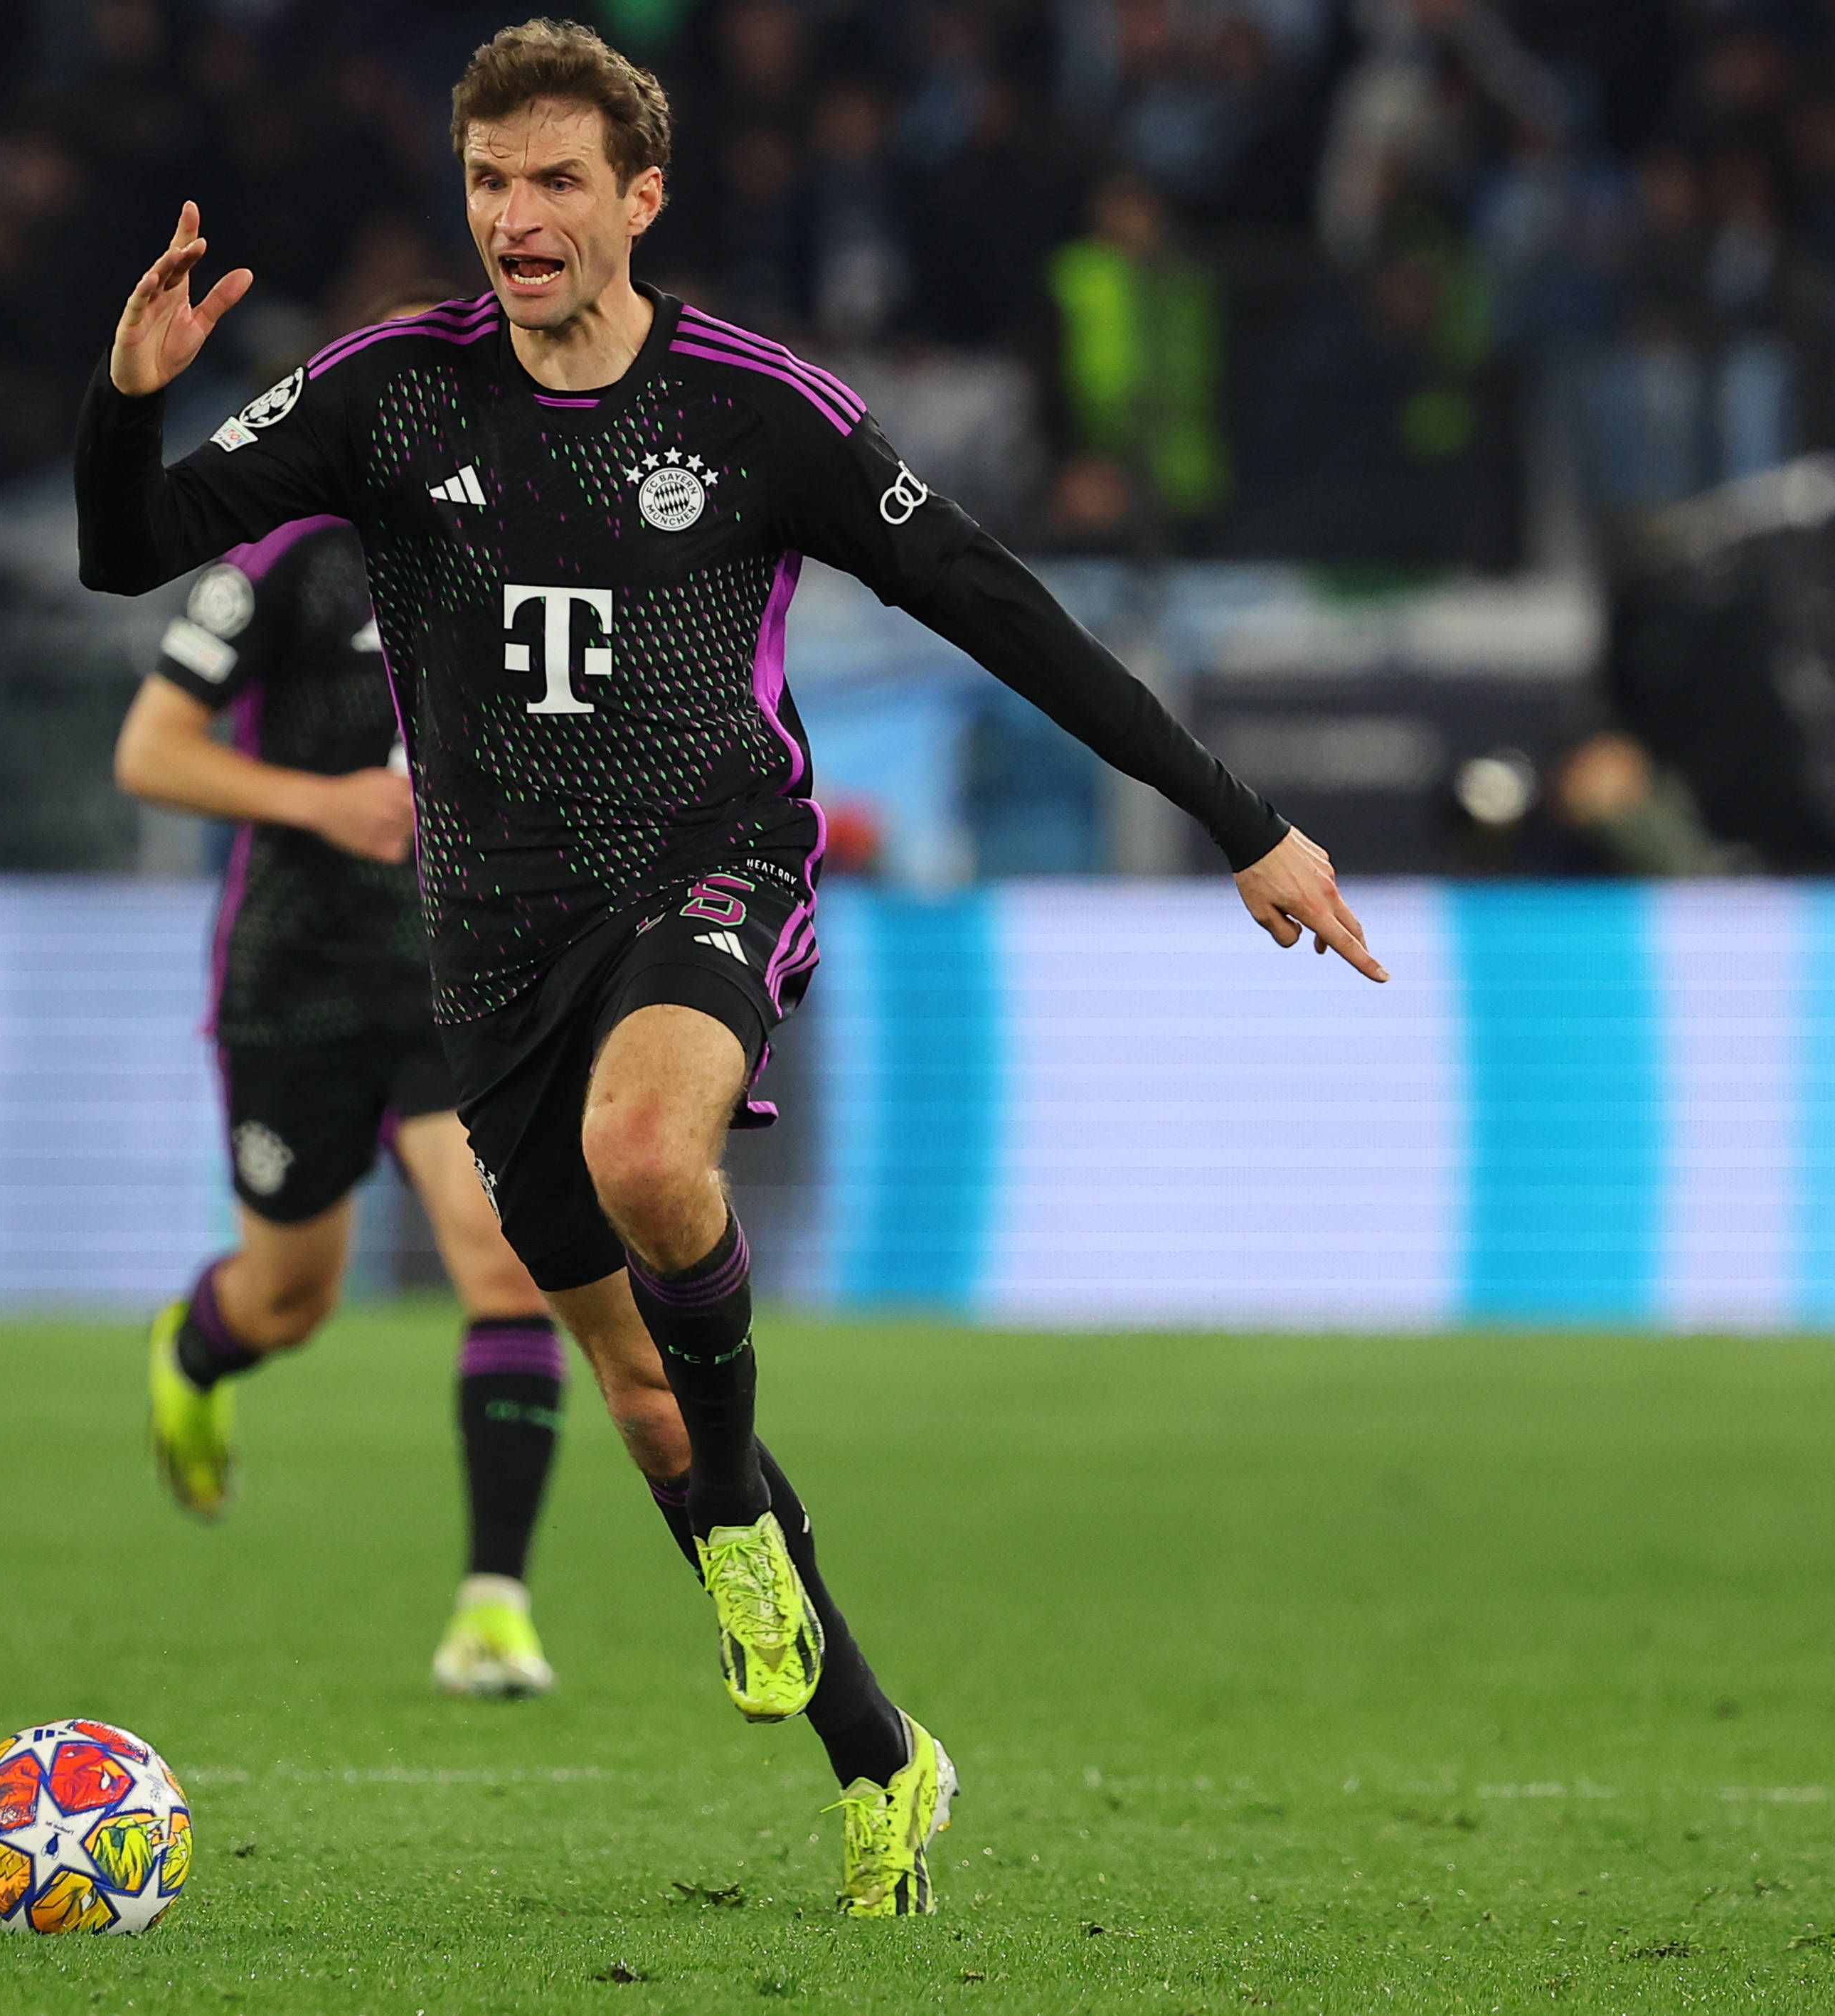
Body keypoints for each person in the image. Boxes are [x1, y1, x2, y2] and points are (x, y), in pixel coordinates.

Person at [75, 18, 1382, 1919]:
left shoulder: (753, 410)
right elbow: (126, 551)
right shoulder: (386, 394)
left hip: (710, 863)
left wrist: (1235, 817)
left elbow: (993, 605)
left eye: (555, 181)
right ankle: (882, 1751)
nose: (516, 217)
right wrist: (127, 399)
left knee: (649, 1156)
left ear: (641, 196)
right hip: (492, 941)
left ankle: (743, 1526)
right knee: (644, 1407)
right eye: (487, 181)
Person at [112, 290, 570, 1699]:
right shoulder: (285, 560)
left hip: (456, 972)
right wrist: (321, 801)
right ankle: (197, 1354)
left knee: (506, 1264)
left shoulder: (528, 553)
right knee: (289, 1299)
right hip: (294, 975)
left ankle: (492, 1605)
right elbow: (151, 752)